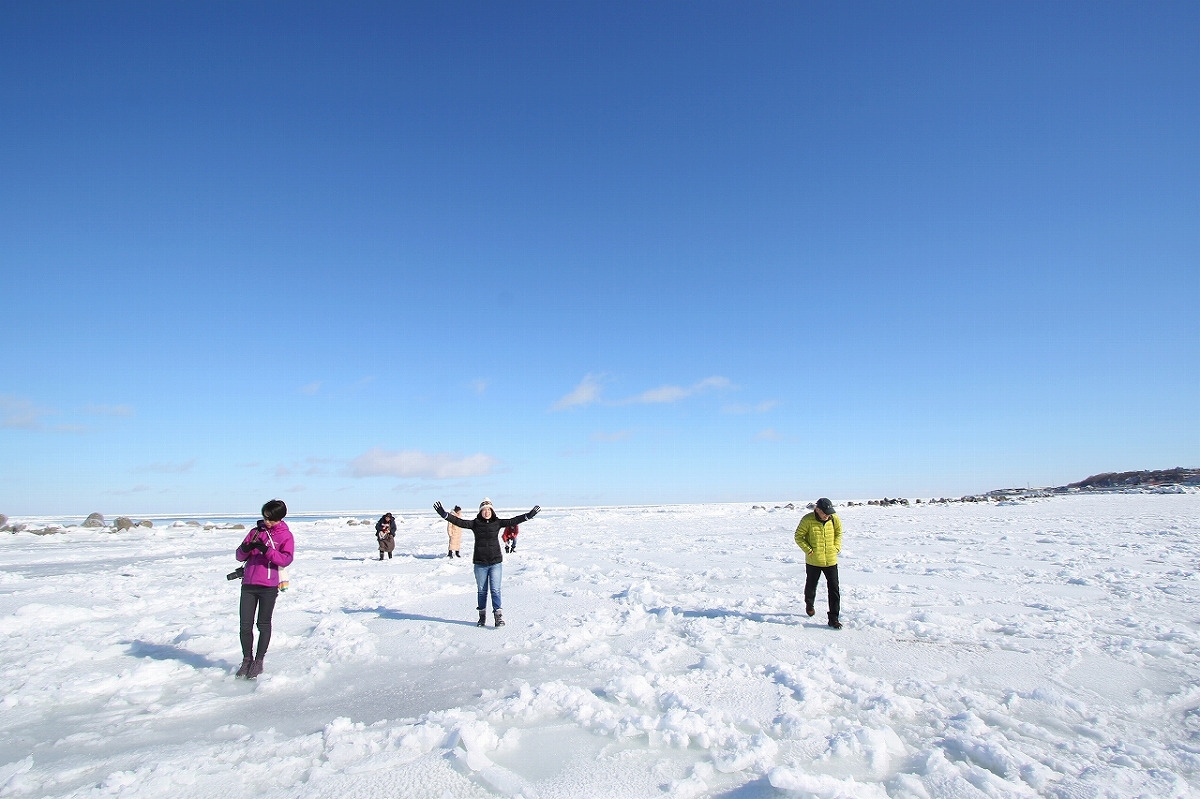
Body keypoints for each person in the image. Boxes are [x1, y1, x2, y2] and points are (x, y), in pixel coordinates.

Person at [434, 498, 540, 627]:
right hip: (480, 563)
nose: (486, 512)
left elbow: (513, 520)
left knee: (495, 590)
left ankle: (498, 617)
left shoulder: (497, 522)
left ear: (492, 511)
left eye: (489, 509)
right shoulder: (475, 523)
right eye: (484, 510)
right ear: (480, 512)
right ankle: (482, 617)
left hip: (495, 563)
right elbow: (459, 522)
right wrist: (444, 515)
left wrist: (529, 516)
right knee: (482, 591)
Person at [235, 499, 295, 678]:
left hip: (268, 586)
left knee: (263, 624)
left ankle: (259, 661)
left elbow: (285, 559)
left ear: (280, 518)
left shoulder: (286, 536)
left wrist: (266, 550)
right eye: (265, 517)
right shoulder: (255, 532)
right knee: (245, 626)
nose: (267, 522)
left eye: (271, 519)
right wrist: (247, 548)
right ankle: (247, 659)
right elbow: (239, 556)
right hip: (248, 584)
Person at [794, 497, 843, 629]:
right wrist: (809, 550)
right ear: (817, 510)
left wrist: (836, 547)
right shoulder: (807, 520)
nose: (827, 515)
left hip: (831, 560)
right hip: (813, 561)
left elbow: (839, 533)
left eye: (829, 512)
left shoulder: (834, 518)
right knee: (811, 586)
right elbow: (798, 536)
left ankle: (833, 618)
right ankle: (809, 604)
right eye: (825, 513)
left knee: (834, 590)